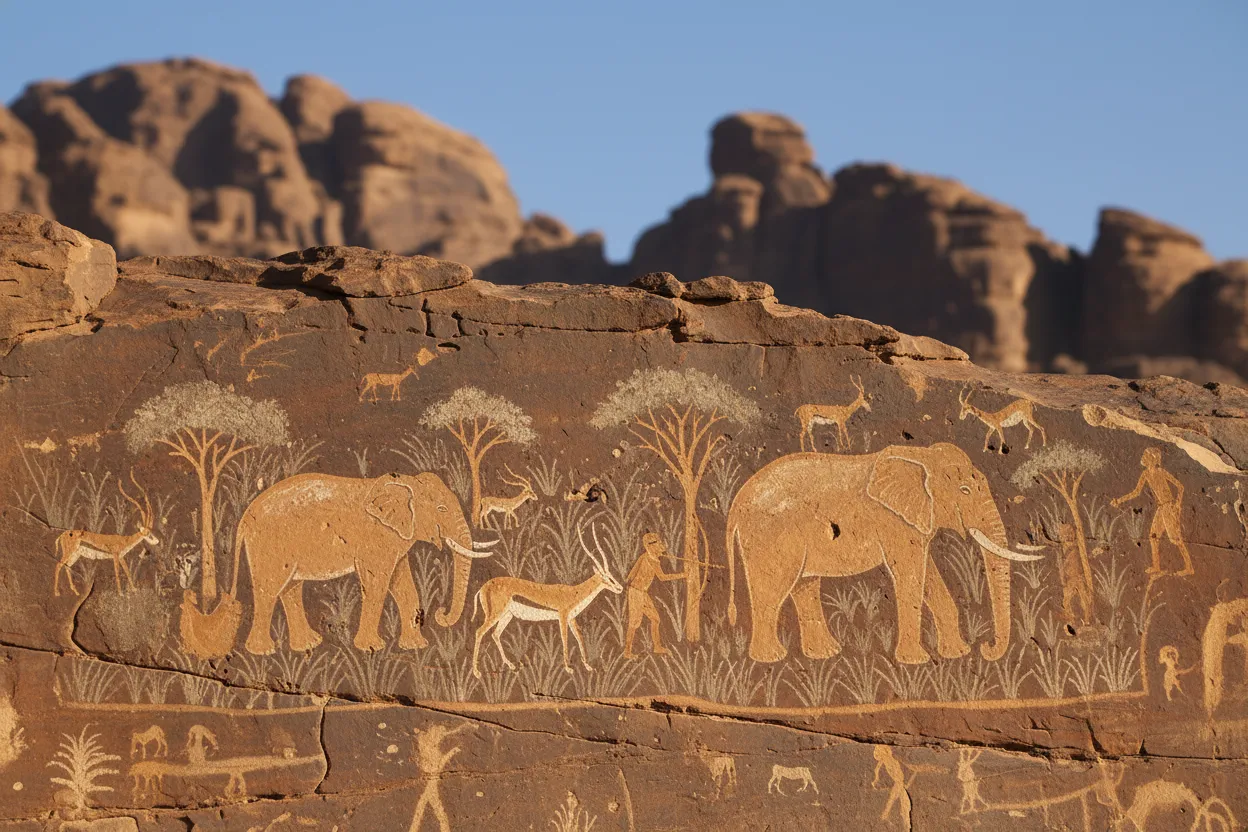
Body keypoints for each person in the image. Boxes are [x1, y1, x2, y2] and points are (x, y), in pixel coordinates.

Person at [1112, 447, 1193, 576]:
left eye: (1146, 455)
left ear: (1152, 459)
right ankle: (1157, 567)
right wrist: (1120, 500)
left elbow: (1180, 487)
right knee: (1153, 536)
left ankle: (1189, 567)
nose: (1143, 457)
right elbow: (1136, 492)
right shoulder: (1146, 474)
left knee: (1176, 539)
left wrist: (1178, 504)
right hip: (1161, 508)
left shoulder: (1161, 472)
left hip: (1169, 507)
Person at [624, 532, 684, 659]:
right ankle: (627, 652)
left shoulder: (647, 556)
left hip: (642, 593)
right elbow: (662, 577)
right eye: (658, 544)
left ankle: (657, 647)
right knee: (634, 623)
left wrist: (630, 583)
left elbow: (631, 574)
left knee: (655, 619)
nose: (661, 546)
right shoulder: (651, 559)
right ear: (650, 546)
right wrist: (683, 575)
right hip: (636, 592)